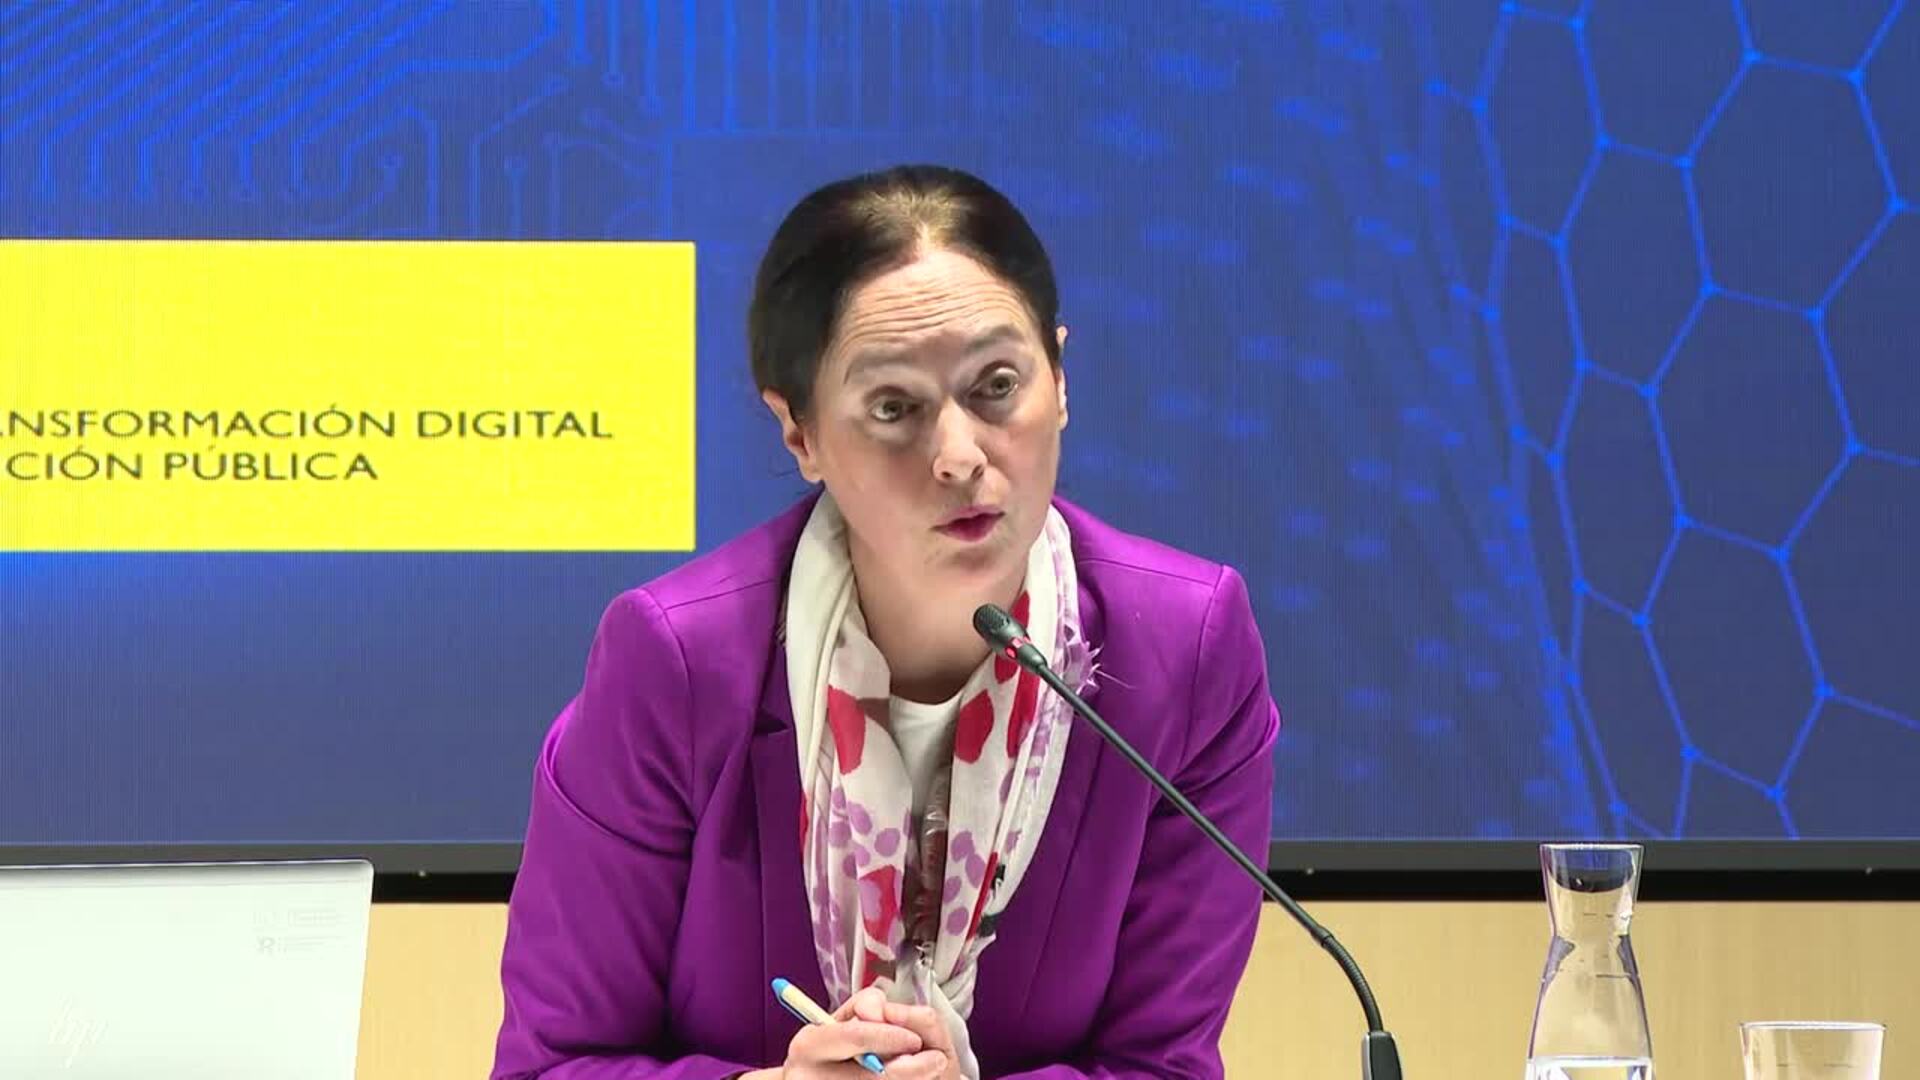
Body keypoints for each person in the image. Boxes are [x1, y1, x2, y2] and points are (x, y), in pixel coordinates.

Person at [492, 164, 1280, 1080]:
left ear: (1060, 378)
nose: (958, 456)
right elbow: (551, 1065)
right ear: (800, 432)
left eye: (996, 385)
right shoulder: (676, 662)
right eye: (894, 408)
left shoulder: (1185, 648)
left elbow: (1164, 1067)